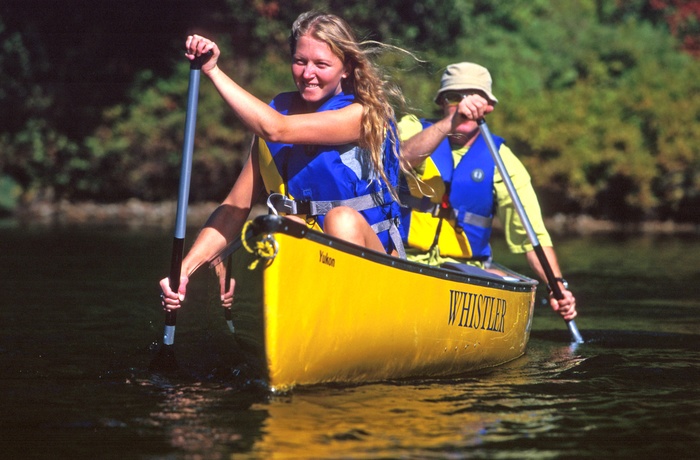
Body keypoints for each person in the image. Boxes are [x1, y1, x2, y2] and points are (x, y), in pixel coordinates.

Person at [160, 11, 406, 309]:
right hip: (314, 265)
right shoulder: (278, 113)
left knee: (341, 219)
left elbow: (278, 129)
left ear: (346, 68)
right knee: (283, 224)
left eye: (321, 64)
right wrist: (184, 271)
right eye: (300, 61)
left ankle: (350, 317)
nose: (307, 73)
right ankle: (290, 324)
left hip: (377, 268)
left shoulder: (362, 115)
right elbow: (234, 209)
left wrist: (212, 70)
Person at [397, 62, 577, 321]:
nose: (463, 105)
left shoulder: (502, 160)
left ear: (488, 107)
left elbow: (532, 236)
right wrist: (451, 122)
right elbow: (402, 158)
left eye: (473, 97)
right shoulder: (413, 128)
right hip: (404, 260)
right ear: (442, 102)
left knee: (500, 278)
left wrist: (557, 285)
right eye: (454, 97)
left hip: (464, 273)